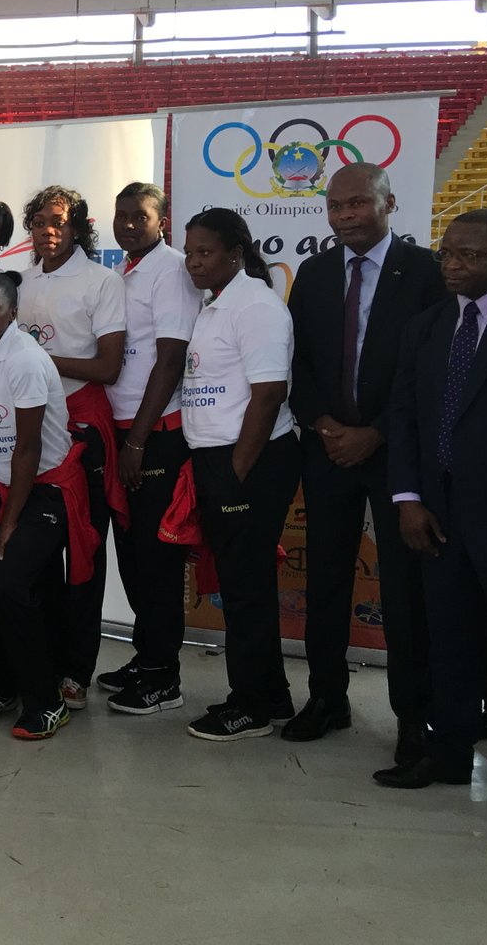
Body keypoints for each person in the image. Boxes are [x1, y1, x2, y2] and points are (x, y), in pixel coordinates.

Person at [284, 163, 444, 757]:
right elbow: (296, 363)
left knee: (404, 589)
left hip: (398, 454)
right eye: (336, 206)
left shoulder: (426, 272)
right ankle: (327, 697)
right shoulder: (315, 273)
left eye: (357, 204)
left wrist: (375, 434)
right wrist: (328, 426)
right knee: (325, 579)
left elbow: (431, 373)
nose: (346, 215)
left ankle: (412, 714)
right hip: (327, 452)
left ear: (388, 203)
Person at [381, 209, 487, 788]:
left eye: (469, 255)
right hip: (437, 515)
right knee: (448, 639)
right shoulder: (425, 327)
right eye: (447, 252)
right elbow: (403, 418)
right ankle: (448, 755)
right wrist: (407, 498)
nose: (452, 264)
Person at [179, 208, 300, 742]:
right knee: (240, 582)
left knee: (246, 586)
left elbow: (269, 393)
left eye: (205, 252)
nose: (194, 262)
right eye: (189, 252)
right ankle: (270, 695)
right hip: (222, 459)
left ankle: (249, 704)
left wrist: (236, 472)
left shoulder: (255, 305)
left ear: (236, 253)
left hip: (249, 461)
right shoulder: (216, 304)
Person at [0, 272, 84, 740]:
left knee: (7, 581)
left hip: (43, 487)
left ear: (12, 313)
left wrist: (9, 526)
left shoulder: (25, 359)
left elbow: (28, 449)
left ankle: (46, 701)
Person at [17, 185, 126, 711]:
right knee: (35, 556)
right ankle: (37, 658)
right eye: (38, 221)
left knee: (83, 554)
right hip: (31, 431)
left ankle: (76, 670)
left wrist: (40, 362)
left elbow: (108, 367)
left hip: (83, 433)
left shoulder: (102, 281)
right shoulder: (21, 281)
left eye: (58, 221)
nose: (48, 230)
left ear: (79, 226)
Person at [98, 183, 201, 715]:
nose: (128, 224)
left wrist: (137, 439)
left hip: (155, 437)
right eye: (121, 216)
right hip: (123, 434)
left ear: (162, 220)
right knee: (134, 556)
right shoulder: (124, 271)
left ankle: (165, 676)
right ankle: (146, 657)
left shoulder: (172, 270)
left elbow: (170, 360)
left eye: (139, 216)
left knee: (157, 561)